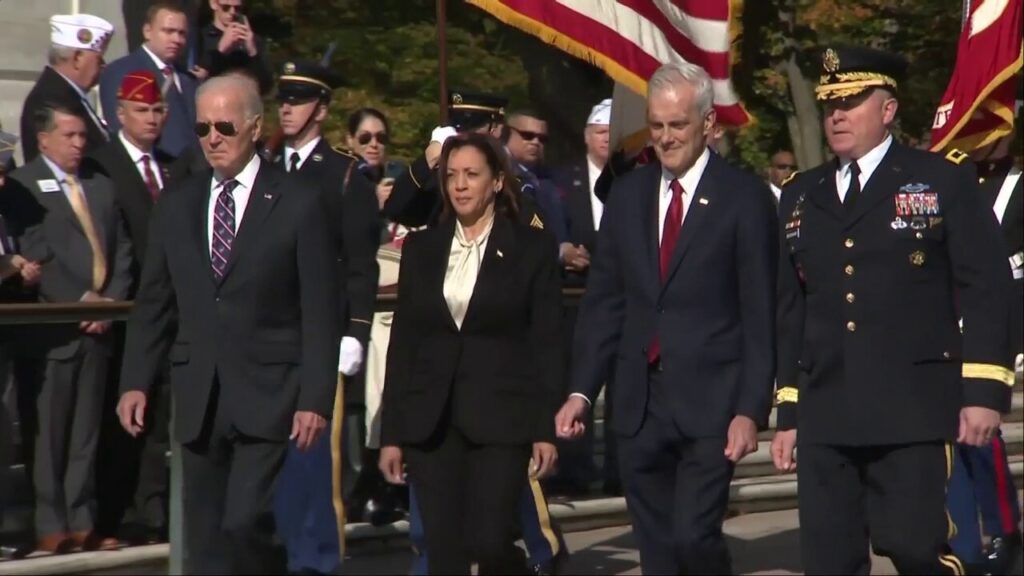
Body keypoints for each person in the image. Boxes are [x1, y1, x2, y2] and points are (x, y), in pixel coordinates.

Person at [770, 45, 1014, 575]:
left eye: (853, 101)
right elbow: (792, 310)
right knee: (829, 561)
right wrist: (788, 410)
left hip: (912, 407)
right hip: (827, 409)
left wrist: (984, 391)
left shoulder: (940, 180)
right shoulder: (800, 195)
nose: (836, 114)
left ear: (888, 109)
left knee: (914, 547)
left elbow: (987, 288)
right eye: (830, 102)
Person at [555, 62, 778, 574]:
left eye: (677, 125)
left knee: (694, 539)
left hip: (711, 402)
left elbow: (759, 310)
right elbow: (605, 302)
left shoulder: (743, 198)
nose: (665, 137)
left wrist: (751, 408)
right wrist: (581, 392)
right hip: (638, 404)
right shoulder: (628, 195)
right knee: (656, 549)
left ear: (708, 125)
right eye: (657, 126)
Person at [116, 75, 340, 574]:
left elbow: (321, 307)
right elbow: (154, 299)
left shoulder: (298, 201)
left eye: (224, 125)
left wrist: (315, 399)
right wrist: (135, 380)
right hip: (199, 393)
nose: (212, 137)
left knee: (246, 522)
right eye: (202, 127)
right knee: (206, 538)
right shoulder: (178, 203)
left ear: (255, 127)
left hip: (270, 390)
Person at [378, 132, 563, 574]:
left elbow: (548, 343)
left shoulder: (531, 248)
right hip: (432, 419)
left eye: (472, 175)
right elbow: (405, 343)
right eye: (451, 176)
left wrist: (545, 428)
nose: (460, 185)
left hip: (501, 418)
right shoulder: (423, 249)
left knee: (490, 538)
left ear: (497, 181)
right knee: (443, 550)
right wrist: (392, 434)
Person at [269, 60, 381, 575]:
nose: (286, 108)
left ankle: (317, 562)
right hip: (269, 335)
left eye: (297, 99)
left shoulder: (344, 175)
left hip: (322, 333)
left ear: (322, 108)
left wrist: (355, 331)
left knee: (317, 458)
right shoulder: (264, 166)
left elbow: (361, 264)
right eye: (282, 99)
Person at [8, 104, 133, 555]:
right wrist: (79, 300)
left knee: (85, 434)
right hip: (53, 331)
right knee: (50, 433)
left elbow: (122, 249)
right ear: (43, 140)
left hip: (100, 326)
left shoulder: (100, 186)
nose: (80, 144)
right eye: (69, 135)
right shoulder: (23, 186)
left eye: (83, 136)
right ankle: (50, 523)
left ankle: (83, 520)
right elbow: (34, 251)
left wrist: (111, 302)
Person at [89, 70, 174, 545]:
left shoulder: (173, 165)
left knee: (160, 417)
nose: (152, 118)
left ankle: (153, 507)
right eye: (142, 109)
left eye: (158, 109)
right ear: (120, 113)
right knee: (120, 419)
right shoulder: (103, 165)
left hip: (168, 313)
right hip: (124, 310)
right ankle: (114, 512)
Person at [946, 133, 1022, 575]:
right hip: (946, 322)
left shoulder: (1016, 183)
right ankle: (964, 545)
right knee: (949, 441)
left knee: (980, 440)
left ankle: (1004, 529)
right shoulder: (952, 179)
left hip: (1002, 323)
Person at [100, 1, 198, 157]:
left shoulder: (188, 80)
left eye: (182, 33)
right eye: (168, 31)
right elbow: (120, 129)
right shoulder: (120, 71)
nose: (176, 39)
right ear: (147, 31)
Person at [20, 14, 114, 162]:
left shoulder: (69, 95)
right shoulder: (52, 99)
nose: (103, 66)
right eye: (99, 59)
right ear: (77, 58)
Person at [194, 0, 273, 95]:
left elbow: (266, 86)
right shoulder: (200, 38)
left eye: (237, 8)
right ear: (213, 4)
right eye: (226, 7)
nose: (232, 12)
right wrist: (221, 51)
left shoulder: (252, 40)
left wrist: (252, 51)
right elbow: (196, 80)